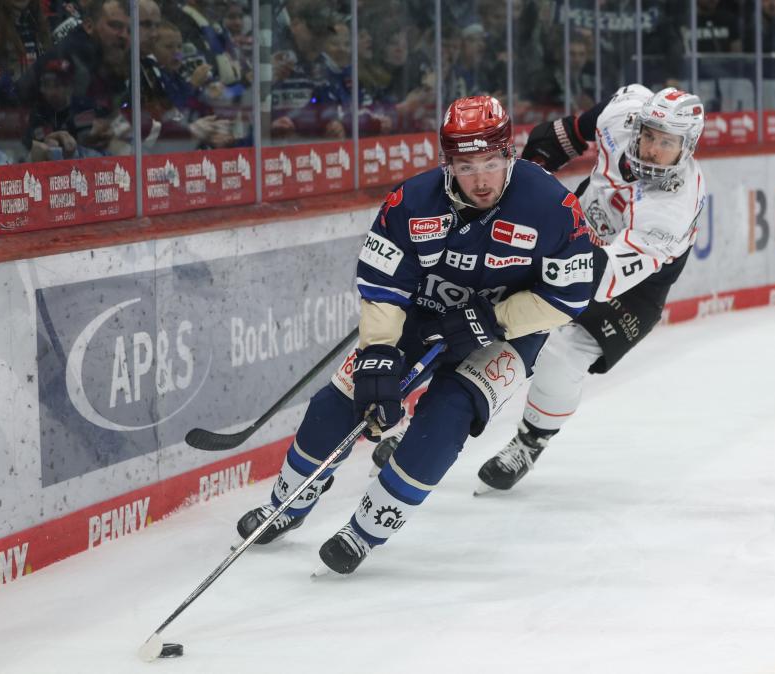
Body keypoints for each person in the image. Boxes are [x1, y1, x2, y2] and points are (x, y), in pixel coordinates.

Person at [236, 95, 595, 575]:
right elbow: (384, 288)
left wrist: (494, 319)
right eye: (467, 166)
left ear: (510, 154)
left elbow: (568, 297)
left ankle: (366, 530)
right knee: (341, 400)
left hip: (508, 330)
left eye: (491, 162)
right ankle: (288, 503)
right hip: (422, 317)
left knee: (446, 418)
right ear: (447, 162)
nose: (482, 179)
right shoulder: (410, 203)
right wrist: (380, 353)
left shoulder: (552, 206)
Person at [373, 85, 706, 494]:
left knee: (562, 353)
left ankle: (531, 441)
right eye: (649, 134)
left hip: (631, 282)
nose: (652, 149)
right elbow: (558, 135)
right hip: (580, 232)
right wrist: (518, 192)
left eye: (666, 143)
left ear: (687, 147)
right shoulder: (621, 115)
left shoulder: (671, 210)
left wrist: (536, 259)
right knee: (469, 318)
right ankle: (416, 432)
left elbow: (596, 279)